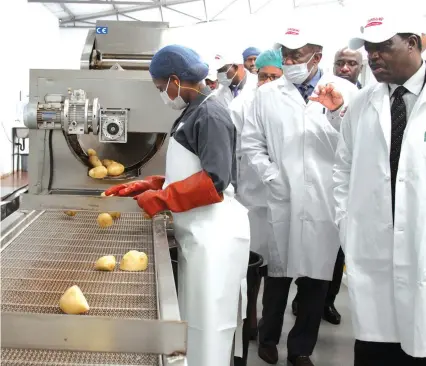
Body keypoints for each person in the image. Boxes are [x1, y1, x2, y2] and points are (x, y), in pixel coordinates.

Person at [104, 45, 250, 366]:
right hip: (197, 233)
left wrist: (161, 199)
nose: (162, 94)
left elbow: (215, 181)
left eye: (160, 87)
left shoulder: (211, 114)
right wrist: (153, 183)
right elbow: (191, 168)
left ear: (175, 80)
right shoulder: (192, 111)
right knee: (194, 323)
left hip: (214, 238)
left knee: (209, 326)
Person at [241, 25, 358, 366]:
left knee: (315, 282)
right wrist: (272, 176)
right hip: (282, 197)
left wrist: (336, 112)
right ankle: (268, 338)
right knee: (277, 277)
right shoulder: (266, 94)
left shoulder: (345, 91)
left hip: (324, 201)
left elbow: (355, 142)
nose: (289, 61)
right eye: (286, 55)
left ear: (316, 57)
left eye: (297, 56)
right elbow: (252, 142)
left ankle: (300, 349)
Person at [331, 14, 426, 365]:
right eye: (370, 48)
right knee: (375, 349)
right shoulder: (362, 102)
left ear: (415, 43)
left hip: (420, 244)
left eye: (385, 46)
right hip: (374, 248)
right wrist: (346, 222)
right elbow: (342, 169)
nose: (374, 56)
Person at [292, 46, 363, 325]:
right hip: (316, 187)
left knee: (338, 255)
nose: (345, 68)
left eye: (351, 64)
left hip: (345, 191)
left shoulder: (362, 97)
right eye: (341, 62)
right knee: (312, 253)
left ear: (360, 67)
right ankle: (303, 298)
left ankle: (328, 302)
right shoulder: (321, 93)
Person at [230, 49, 283, 366]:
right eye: (263, 76)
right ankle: (248, 322)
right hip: (248, 198)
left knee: (277, 273)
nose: (268, 83)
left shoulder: (291, 107)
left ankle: (267, 334)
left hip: (280, 203)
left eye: (274, 77)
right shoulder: (241, 105)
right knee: (250, 271)